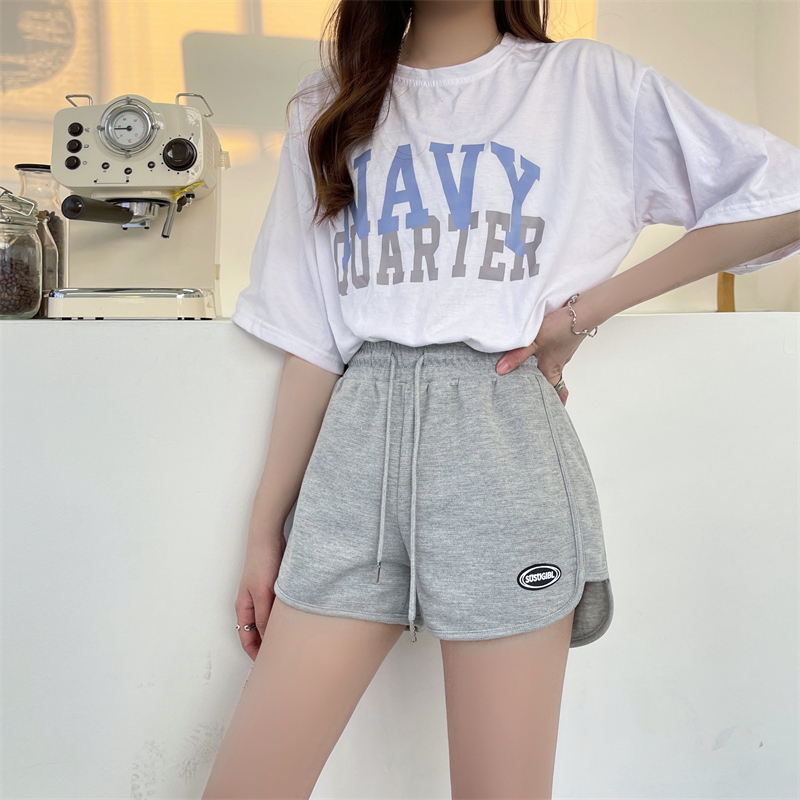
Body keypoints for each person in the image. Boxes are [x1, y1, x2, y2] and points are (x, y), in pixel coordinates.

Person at [203, 1, 800, 797]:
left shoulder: (584, 83)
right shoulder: (331, 104)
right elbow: (310, 337)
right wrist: (264, 530)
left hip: (501, 444)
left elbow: (781, 195)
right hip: (356, 454)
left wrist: (583, 313)